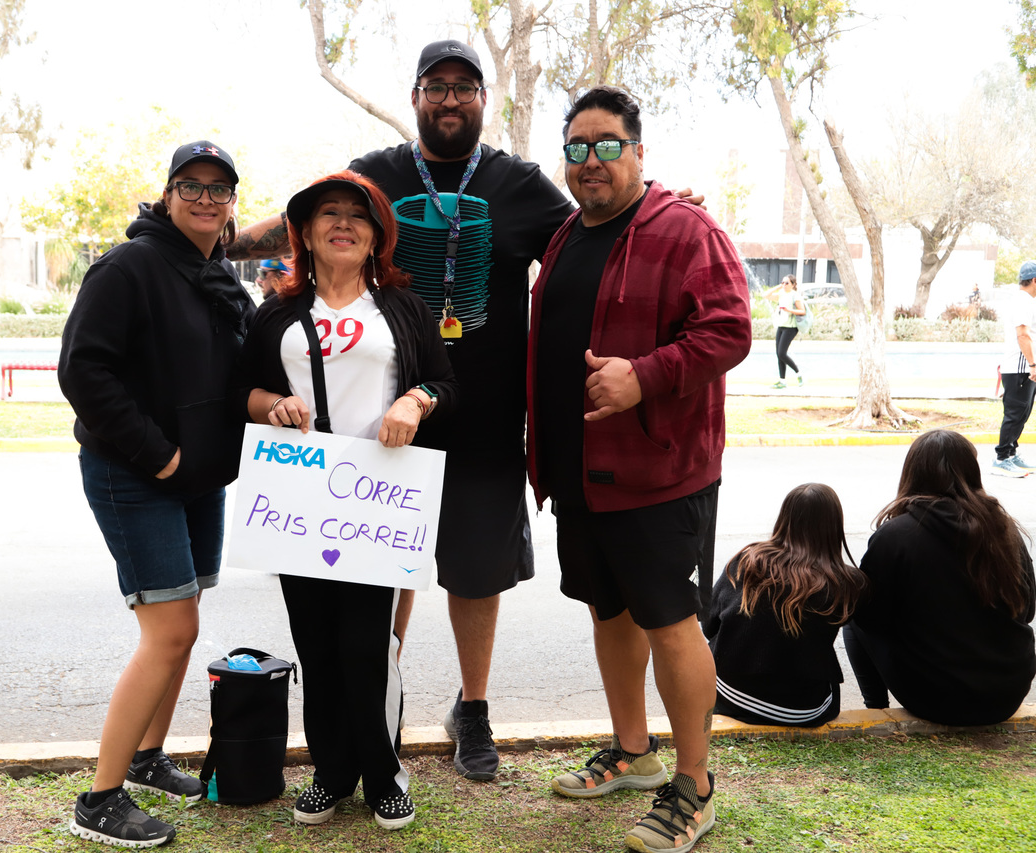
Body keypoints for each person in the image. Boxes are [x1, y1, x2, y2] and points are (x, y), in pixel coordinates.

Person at [228, 38, 705, 782]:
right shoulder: (377, 173)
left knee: (476, 572)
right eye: (436, 86)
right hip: (380, 422)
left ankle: (472, 708)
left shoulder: (521, 184)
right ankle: (376, 700)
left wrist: (664, 204)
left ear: (484, 100)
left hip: (483, 416)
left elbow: (600, 224)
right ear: (417, 97)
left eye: (465, 87)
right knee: (375, 563)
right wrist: (214, 237)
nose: (450, 99)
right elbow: (308, 219)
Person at [526, 86, 751, 853]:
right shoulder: (567, 234)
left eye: (607, 145)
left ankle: (695, 785)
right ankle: (634, 751)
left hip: (658, 470)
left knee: (670, 622)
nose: (591, 160)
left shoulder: (685, 229)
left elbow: (729, 330)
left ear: (639, 151)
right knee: (608, 609)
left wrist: (645, 377)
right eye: (577, 147)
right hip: (580, 470)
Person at [234, 172, 457, 831]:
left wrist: (415, 401)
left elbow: (445, 383)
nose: (342, 224)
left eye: (358, 216)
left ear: (376, 235)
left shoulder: (402, 310)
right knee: (316, 643)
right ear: (303, 234)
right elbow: (243, 392)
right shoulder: (276, 314)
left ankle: (384, 774)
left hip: (375, 504)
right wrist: (272, 405)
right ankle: (330, 771)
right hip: (300, 505)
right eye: (328, 214)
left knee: (367, 644)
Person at [58, 140, 254, 849]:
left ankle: (147, 758)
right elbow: (83, 372)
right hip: (136, 473)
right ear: (168, 195)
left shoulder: (220, 279)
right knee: (167, 631)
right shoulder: (127, 268)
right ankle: (99, 799)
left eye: (218, 189)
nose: (205, 199)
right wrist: (161, 455)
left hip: (200, 478)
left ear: (232, 203)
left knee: (185, 625)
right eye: (190, 186)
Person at [843, 429, 1036, 726]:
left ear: (913, 473)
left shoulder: (896, 536)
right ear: (972, 472)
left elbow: (872, 618)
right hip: (1008, 693)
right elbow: (1028, 609)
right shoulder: (1004, 528)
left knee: (855, 615)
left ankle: (876, 707)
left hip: (938, 699)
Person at [703, 483, 866, 728]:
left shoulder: (747, 561)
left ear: (785, 518)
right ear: (834, 526)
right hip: (803, 710)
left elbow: (709, 626)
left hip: (733, 696)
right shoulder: (848, 582)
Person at [992, 261, 1036, 477]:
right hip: (1020, 367)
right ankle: (1001, 459)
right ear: (1035, 280)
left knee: (1022, 414)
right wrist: (1033, 364)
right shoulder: (1022, 301)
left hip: (1026, 367)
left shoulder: (1027, 301)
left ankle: (1011, 453)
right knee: (1014, 413)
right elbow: (1023, 335)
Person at [763, 274, 805, 388]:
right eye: (783, 282)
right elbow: (765, 295)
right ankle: (782, 381)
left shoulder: (795, 295)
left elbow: (802, 311)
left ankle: (799, 373)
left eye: (787, 283)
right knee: (779, 354)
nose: (784, 285)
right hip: (781, 325)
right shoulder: (781, 294)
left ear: (793, 284)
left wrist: (789, 310)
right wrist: (778, 287)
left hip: (791, 327)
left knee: (782, 353)